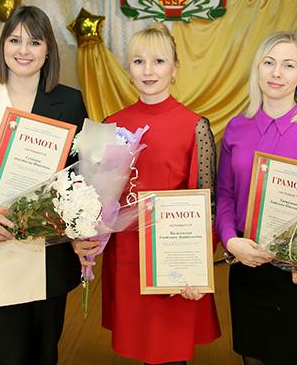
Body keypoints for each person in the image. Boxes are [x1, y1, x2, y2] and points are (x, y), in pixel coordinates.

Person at [0, 5, 87, 365]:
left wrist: (83, 226)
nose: (24, 50)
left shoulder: (69, 101)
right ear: (2, 45)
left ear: (48, 50)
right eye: (15, 40)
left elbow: (79, 175)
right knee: (6, 354)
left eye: (34, 42)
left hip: (48, 255)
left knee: (45, 354)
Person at [74, 23, 220, 365]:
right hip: (127, 256)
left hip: (173, 257)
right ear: (129, 70)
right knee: (142, 350)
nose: (148, 70)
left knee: (171, 352)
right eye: (138, 61)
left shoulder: (195, 126)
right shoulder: (112, 124)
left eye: (159, 61)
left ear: (175, 68)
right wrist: (86, 236)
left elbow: (207, 203)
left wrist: (195, 267)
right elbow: (95, 196)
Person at [215, 31, 297, 365]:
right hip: (247, 262)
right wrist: (230, 241)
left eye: (289, 65)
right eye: (269, 63)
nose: (277, 73)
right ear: (257, 69)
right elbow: (225, 195)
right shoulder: (236, 127)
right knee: (253, 357)